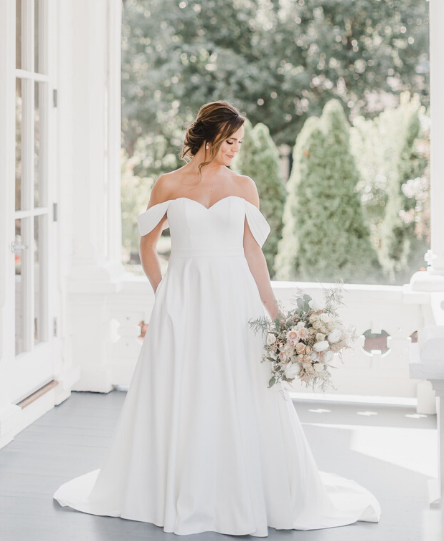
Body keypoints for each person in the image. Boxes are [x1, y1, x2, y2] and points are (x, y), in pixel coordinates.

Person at [53, 100, 381, 536]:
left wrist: (276, 313)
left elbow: (252, 253)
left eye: (239, 143)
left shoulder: (244, 186)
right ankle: (178, 486)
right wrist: (163, 294)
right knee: (184, 387)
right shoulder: (167, 184)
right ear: (208, 136)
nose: (235, 149)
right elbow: (147, 248)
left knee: (240, 385)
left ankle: (242, 488)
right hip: (182, 297)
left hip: (235, 300)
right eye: (230, 141)